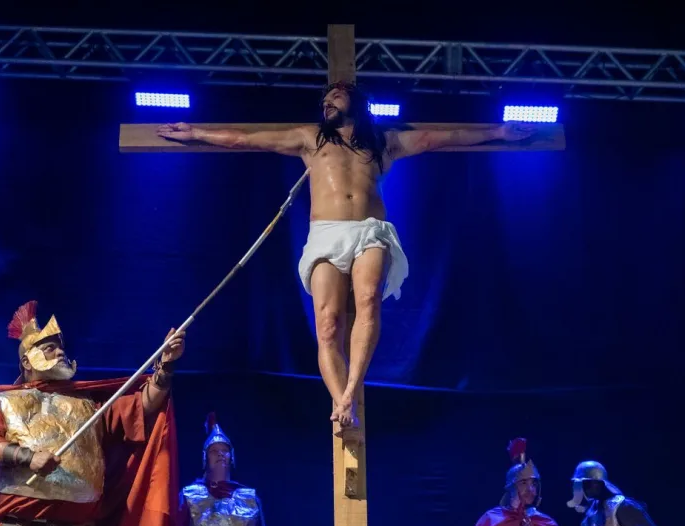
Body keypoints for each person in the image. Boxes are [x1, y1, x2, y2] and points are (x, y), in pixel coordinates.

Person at [157, 82, 536, 433]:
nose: (328, 102)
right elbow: (246, 139)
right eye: (325, 99)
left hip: (370, 229)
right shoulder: (310, 140)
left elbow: (442, 138)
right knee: (327, 324)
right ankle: (341, 401)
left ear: (356, 103)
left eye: (336, 95)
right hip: (326, 233)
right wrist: (197, 133)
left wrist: (498, 132)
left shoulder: (382, 142)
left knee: (369, 300)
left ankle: (352, 389)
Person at [0, 300, 185, 526]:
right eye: (50, 347)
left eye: (61, 348)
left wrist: (166, 367)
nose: (60, 352)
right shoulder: (4, 402)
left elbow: (143, 406)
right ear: (27, 361)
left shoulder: (89, 403)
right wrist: (28, 458)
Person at [176, 413, 267, 526]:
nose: (220, 454)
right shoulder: (189, 496)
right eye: (213, 451)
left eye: (225, 450)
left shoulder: (250, 499)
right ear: (205, 458)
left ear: (232, 457)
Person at [473, 438, 560, 526]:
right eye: (523, 483)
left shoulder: (547, 524)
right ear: (510, 487)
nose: (530, 489)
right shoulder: (490, 520)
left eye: (534, 484)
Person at [566, 460, 659, 526]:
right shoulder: (589, 517)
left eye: (586, 483)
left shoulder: (624, 507)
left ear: (599, 483)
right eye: (581, 484)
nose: (583, 488)